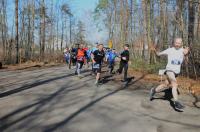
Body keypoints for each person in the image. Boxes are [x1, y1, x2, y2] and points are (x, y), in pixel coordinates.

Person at [149, 38, 189, 110]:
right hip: (169, 70)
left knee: (165, 85)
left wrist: (186, 55)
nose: (177, 44)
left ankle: (154, 90)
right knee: (174, 84)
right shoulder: (169, 50)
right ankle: (176, 102)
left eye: (179, 43)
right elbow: (158, 54)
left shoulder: (183, 51)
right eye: (176, 43)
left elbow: (186, 62)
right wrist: (154, 50)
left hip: (176, 73)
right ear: (174, 43)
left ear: (181, 43)